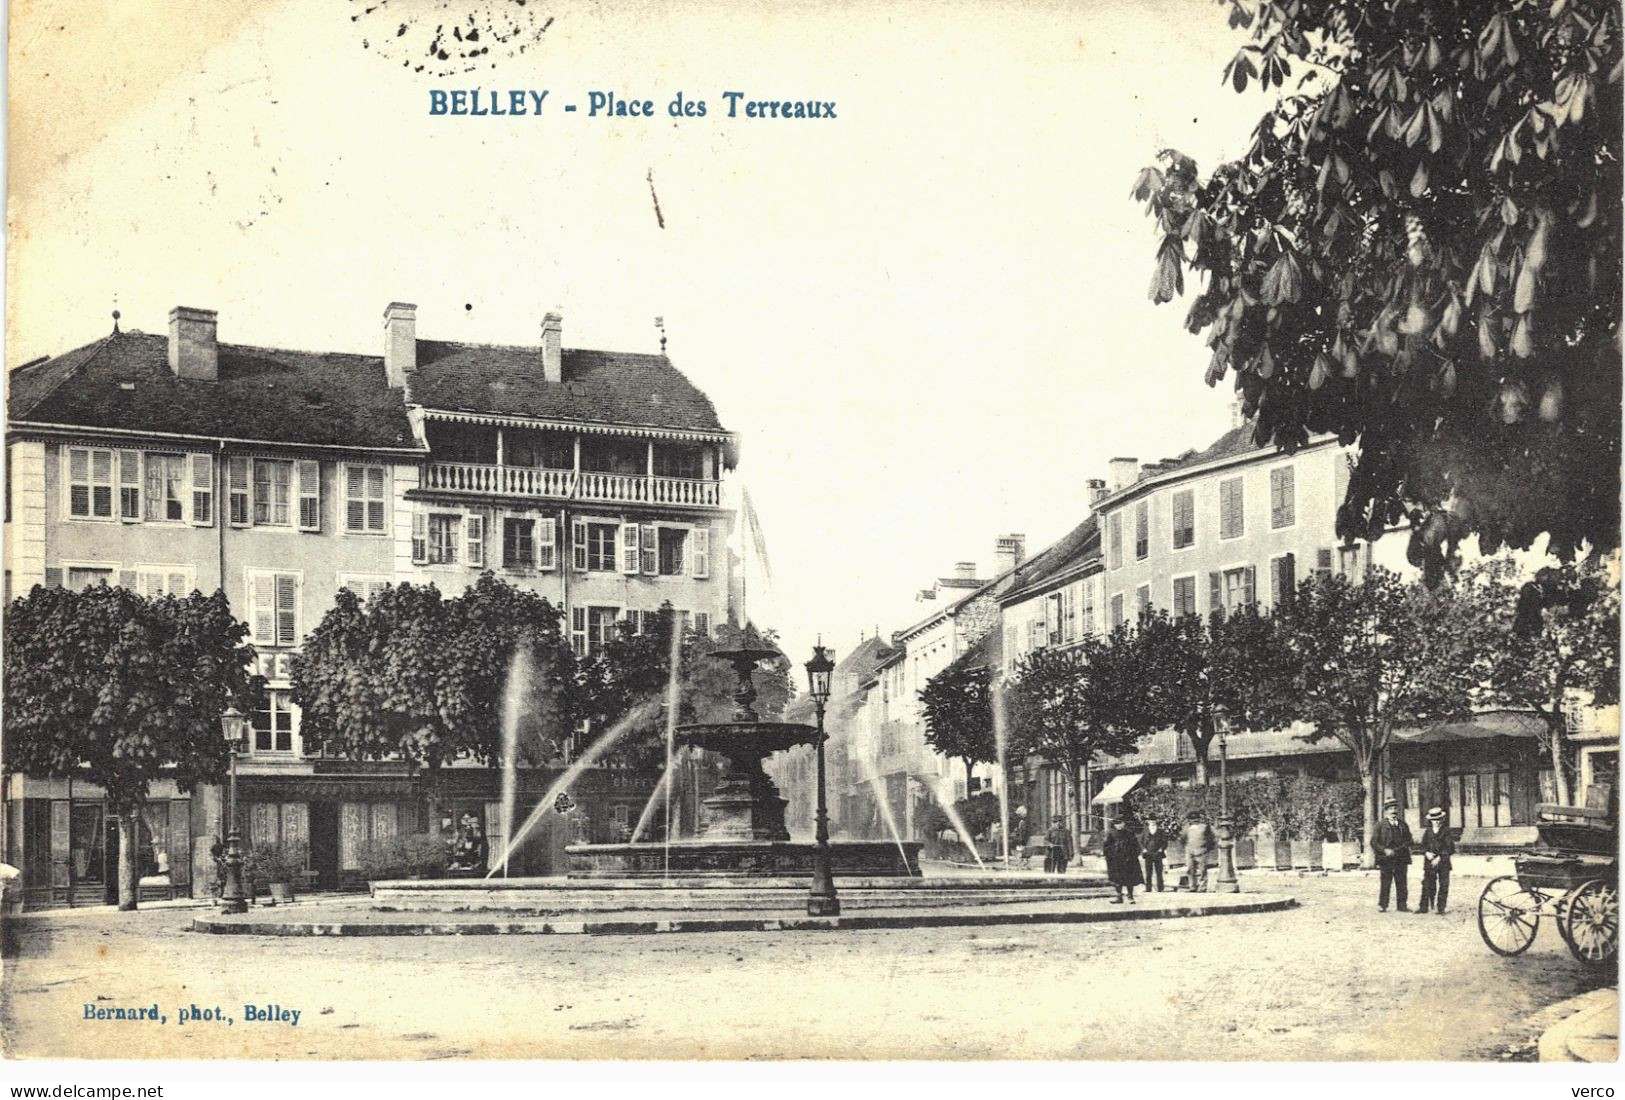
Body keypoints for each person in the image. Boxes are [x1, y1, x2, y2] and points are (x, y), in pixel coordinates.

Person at [1372, 798, 1414, 912]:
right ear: (1386, 811)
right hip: (1386, 859)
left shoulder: (1403, 825)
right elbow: (1374, 842)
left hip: (1401, 858)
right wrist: (1385, 850)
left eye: (1395, 808)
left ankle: (1402, 905)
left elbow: (1409, 840)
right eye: (1390, 809)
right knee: (1386, 882)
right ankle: (1383, 905)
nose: (1393, 811)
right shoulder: (1379, 826)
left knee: (1402, 883)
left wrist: (1403, 848)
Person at [1416, 806, 1454, 915]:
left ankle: (1440, 907)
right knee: (1427, 884)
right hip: (1429, 862)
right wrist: (1426, 853)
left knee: (1443, 885)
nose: (1436, 822)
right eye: (1434, 820)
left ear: (1442, 820)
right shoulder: (1428, 832)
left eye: (1438, 820)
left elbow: (1450, 848)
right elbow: (1423, 846)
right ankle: (1423, 907)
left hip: (1443, 862)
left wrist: (1440, 858)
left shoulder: (1446, 831)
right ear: (1430, 821)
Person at [1104, 818, 1144, 903]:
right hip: (1116, 860)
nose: (1119, 825)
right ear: (1114, 825)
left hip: (1129, 860)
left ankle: (1130, 896)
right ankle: (1119, 896)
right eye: (1117, 824)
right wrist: (1110, 856)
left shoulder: (1129, 833)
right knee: (1117, 879)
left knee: (1129, 878)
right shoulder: (1111, 833)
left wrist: (1134, 855)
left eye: (1121, 823)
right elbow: (1106, 846)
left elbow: (1136, 845)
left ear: (1124, 823)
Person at [1183, 811, 1215, 893]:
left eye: (1195, 819)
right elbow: (1183, 839)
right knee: (1190, 869)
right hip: (1190, 852)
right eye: (1192, 820)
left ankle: (1202, 887)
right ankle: (1192, 886)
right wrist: (1187, 847)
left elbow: (1211, 839)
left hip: (1202, 851)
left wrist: (1207, 849)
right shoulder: (1186, 829)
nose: (1194, 821)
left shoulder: (1205, 827)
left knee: (1202, 870)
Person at [1139, 816, 1168, 892]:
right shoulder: (1145, 830)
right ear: (1148, 821)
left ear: (1156, 821)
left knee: (1159, 871)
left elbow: (1164, 842)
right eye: (1150, 820)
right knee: (1148, 871)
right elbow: (1140, 841)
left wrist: (1161, 849)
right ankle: (1148, 888)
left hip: (1158, 853)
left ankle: (1160, 888)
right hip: (1148, 853)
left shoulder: (1160, 831)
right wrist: (1144, 849)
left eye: (1153, 820)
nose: (1152, 822)